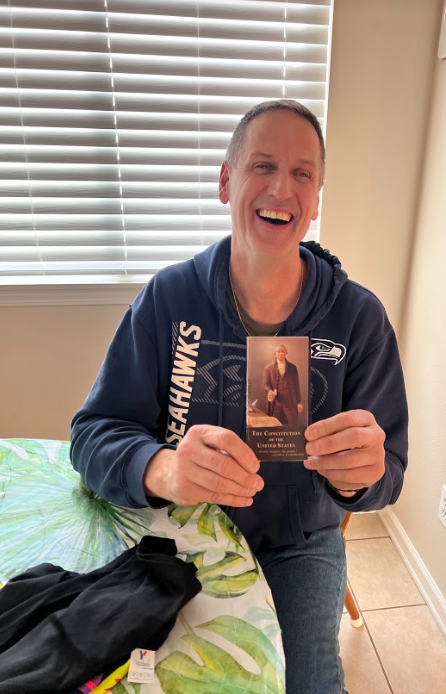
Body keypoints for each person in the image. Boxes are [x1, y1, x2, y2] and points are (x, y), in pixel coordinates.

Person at [71, 99, 408, 694]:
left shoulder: (359, 319)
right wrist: (163, 468)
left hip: (298, 547)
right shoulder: (168, 300)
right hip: (176, 534)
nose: (282, 187)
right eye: (263, 165)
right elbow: (93, 435)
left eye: (303, 173)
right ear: (227, 180)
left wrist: (360, 477)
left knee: (308, 683)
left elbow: (390, 474)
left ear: (317, 197)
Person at [262, 344, 303, 425]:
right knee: (273, 425)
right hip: (276, 402)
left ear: (286, 353)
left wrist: (299, 402)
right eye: (278, 351)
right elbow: (265, 384)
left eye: (283, 351)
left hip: (290, 402)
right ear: (275, 353)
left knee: (293, 425)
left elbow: (296, 385)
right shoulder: (268, 368)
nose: (280, 354)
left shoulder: (292, 368)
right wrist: (270, 392)